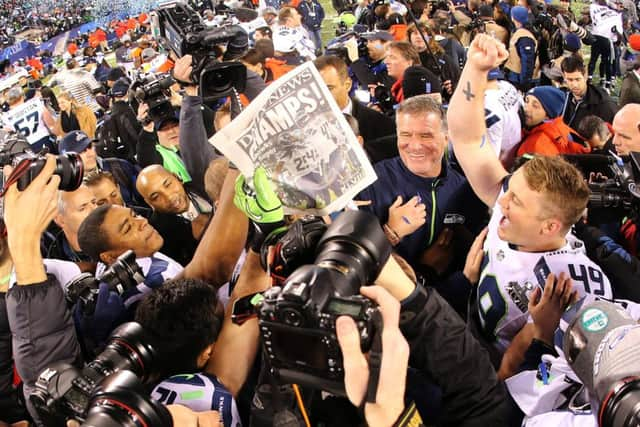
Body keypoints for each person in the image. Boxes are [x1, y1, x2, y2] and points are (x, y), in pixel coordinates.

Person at [447, 34, 613, 378]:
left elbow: (553, 383)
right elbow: (465, 138)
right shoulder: (512, 206)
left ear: (550, 226)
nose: (501, 200)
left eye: (516, 201)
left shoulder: (579, 286)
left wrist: (535, 336)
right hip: (469, 338)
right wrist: (475, 70)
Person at [356, 95, 486, 273]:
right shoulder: (370, 184)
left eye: (426, 136)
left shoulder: (465, 190)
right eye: (406, 135)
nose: (415, 145)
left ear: (447, 138)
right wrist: (390, 234)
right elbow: (353, 264)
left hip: (446, 297)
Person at [314, 55, 398, 162]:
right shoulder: (301, 129)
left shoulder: (382, 125)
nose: (321, 95)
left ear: (347, 85)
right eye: (316, 89)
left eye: (329, 88)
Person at [136, 165, 213, 266]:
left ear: (176, 177)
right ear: (150, 204)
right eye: (156, 197)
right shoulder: (160, 235)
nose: (169, 197)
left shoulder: (202, 185)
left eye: (167, 185)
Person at [59, 130, 143, 207]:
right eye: (82, 151)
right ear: (69, 160)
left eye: (90, 147)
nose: (91, 154)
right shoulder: (67, 192)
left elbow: (144, 199)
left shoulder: (119, 166)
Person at [517, 86, 589, 156]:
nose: (526, 109)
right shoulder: (559, 126)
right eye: (526, 101)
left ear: (548, 116)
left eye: (535, 106)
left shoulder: (536, 145)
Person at [561, 55, 618, 131]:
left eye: (577, 79)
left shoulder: (604, 104)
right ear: (564, 76)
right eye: (570, 80)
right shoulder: (562, 97)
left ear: (585, 76)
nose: (574, 85)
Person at [483, 69, 523, 169]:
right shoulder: (507, 86)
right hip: (517, 145)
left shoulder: (487, 105)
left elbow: (491, 157)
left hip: (503, 159)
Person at [1, 86, 56, 151]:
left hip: (26, 147)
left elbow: (7, 136)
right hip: (44, 139)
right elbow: (52, 125)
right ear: (22, 96)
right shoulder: (37, 104)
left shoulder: (6, 117)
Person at [504, 6, 539, 91]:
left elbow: (527, 61)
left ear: (514, 18)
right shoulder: (520, 31)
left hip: (520, 80)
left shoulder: (524, 36)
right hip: (516, 77)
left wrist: (524, 84)